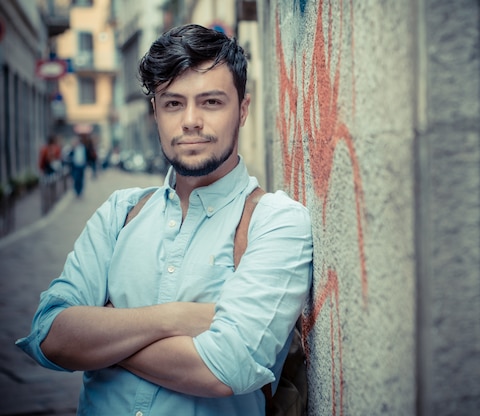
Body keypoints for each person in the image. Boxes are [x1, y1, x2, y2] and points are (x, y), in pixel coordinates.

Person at [17, 24, 313, 416]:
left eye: (211, 102)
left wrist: (104, 335)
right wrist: (176, 318)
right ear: (155, 111)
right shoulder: (119, 213)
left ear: (243, 110)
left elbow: (225, 369)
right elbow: (49, 335)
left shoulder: (276, 221)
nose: (190, 120)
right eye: (174, 103)